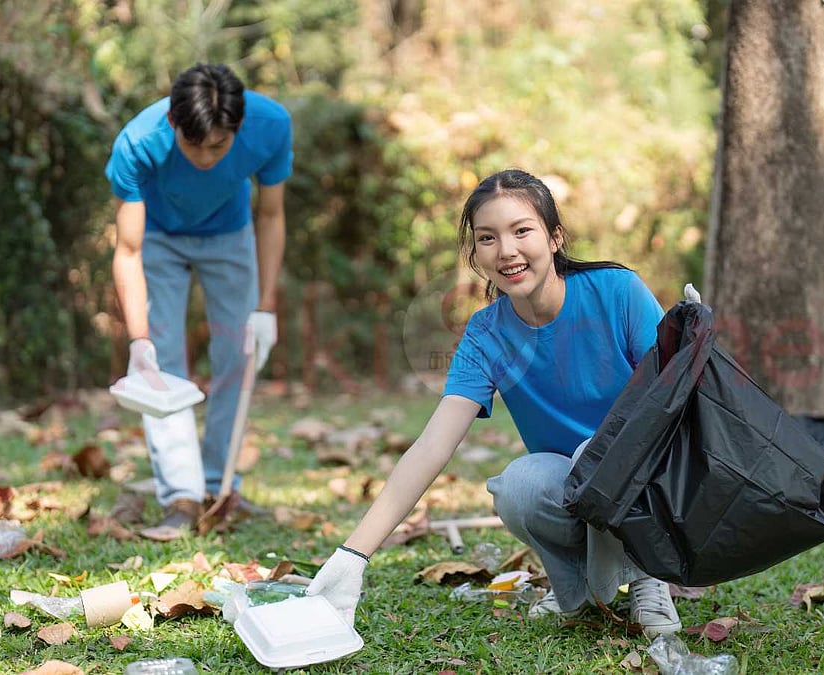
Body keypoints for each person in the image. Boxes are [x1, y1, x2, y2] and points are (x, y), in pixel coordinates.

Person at [306, 169, 681, 637]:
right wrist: (352, 555)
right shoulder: (486, 335)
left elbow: (674, 398)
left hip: (645, 477)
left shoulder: (617, 291)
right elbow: (432, 447)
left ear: (555, 237)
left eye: (522, 230)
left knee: (596, 457)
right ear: (476, 254)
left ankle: (648, 577)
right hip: (573, 485)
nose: (506, 251)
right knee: (518, 486)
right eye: (488, 238)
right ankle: (578, 588)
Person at [105, 63, 292, 540]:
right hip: (159, 240)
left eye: (219, 146)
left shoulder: (270, 126)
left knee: (238, 353)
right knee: (162, 363)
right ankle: (180, 498)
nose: (207, 157)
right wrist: (138, 340)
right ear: (173, 123)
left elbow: (270, 216)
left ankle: (219, 485)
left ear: (238, 128)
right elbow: (127, 250)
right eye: (195, 146)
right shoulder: (138, 141)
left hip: (230, 236)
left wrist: (266, 307)